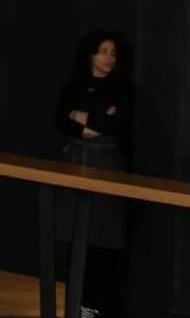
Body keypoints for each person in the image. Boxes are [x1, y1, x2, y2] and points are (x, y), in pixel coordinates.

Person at [53, 29, 132, 318]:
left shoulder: (120, 88)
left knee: (102, 234)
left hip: (106, 164)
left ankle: (95, 304)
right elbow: (61, 119)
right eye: (103, 51)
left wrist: (82, 116)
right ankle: (76, 300)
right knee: (74, 233)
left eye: (113, 53)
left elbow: (115, 123)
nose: (108, 58)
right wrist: (88, 120)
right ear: (90, 54)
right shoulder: (72, 86)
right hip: (74, 162)